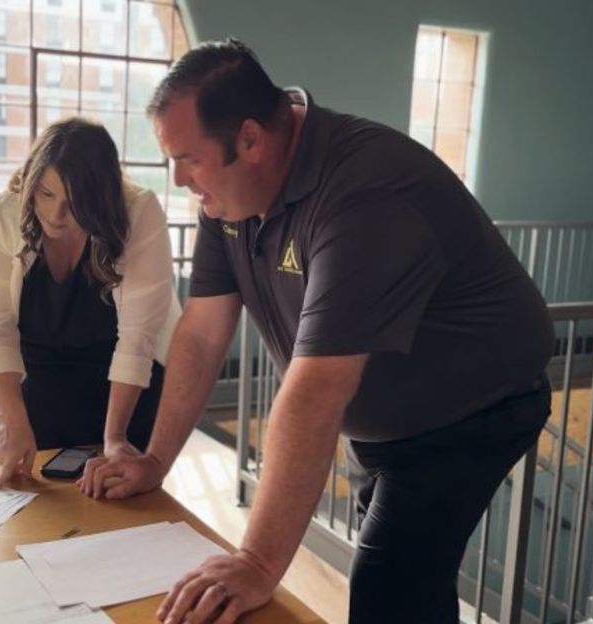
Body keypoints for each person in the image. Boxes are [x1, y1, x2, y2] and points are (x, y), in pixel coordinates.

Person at [82, 39, 555, 623]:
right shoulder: (228, 196)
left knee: (388, 587)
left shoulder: (364, 193)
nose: (178, 179)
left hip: (472, 409)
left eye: (188, 159)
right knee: (413, 584)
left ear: (251, 139)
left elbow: (314, 393)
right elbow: (203, 333)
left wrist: (256, 562)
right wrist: (155, 460)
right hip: (380, 416)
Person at [0, 117, 181, 487]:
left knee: (118, 505)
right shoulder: (0, 216)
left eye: (74, 201)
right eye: (46, 195)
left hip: (127, 387)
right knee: (41, 505)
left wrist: (115, 438)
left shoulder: (138, 212)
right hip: (40, 385)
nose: (55, 215)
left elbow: (137, 338)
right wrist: (11, 421)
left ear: (101, 198)